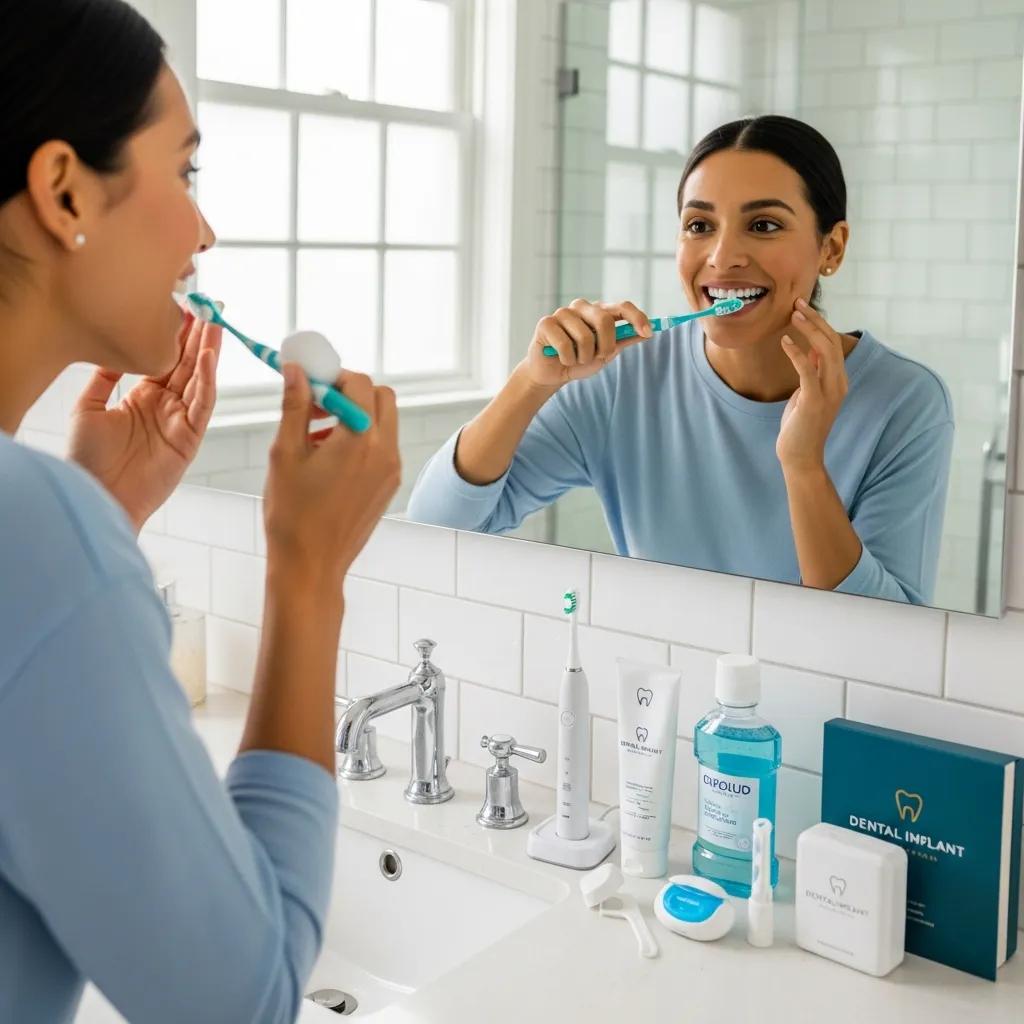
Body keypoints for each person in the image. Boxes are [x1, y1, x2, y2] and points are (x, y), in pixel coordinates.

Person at [0, 1, 399, 1020]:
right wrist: (306, 575)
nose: (203, 229)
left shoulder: (41, 527)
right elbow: (241, 1002)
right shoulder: (34, 532)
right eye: (185, 171)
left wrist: (95, 511)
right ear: (61, 189)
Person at [408, 115, 953, 605]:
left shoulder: (903, 401)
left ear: (831, 248)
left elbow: (887, 636)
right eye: (699, 226)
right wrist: (530, 382)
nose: (722, 257)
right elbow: (433, 528)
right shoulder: (624, 376)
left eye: (763, 225)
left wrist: (803, 463)